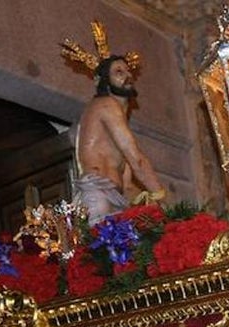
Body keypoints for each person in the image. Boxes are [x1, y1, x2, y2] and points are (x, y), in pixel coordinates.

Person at [62, 23, 166, 224]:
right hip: (97, 193)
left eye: (128, 71)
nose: (128, 76)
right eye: (119, 72)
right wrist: (162, 198)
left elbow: (127, 185)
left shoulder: (117, 119)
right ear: (104, 81)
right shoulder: (106, 105)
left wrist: (148, 208)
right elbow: (137, 160)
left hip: (114, 196)